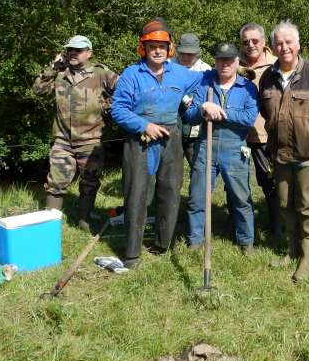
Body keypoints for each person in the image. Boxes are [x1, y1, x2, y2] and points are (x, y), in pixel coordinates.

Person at [111, 18, 201, 269]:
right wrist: (143, 126)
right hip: (140, 138)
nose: (158, 50)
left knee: (170, 190)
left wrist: (231, 72)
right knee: (136, 193)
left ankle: (163, 244)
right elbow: (117, 109)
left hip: (171, 136)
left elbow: (206, 81)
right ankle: (132, 254)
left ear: (170, 48)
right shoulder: (131, 74)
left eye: (163, 46)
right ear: (144, 48)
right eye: (152, 46)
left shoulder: (180, 73)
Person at [258, 21, 309, 282]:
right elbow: (266, 113)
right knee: (284, 205)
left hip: (307, 156)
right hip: (280, 155)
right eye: (279, 43)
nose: (284, 48)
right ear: (273, 47)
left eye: (289, 42)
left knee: (307, 207)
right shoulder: (267, 78)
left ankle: (307, 257)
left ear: (298, 44)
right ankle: (291, 251)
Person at [33, 35, 117, 232]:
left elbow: (125, 93)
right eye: (70, 49)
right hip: (63, 139)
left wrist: (108, 106)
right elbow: (38, 90)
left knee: (90, 182)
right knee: (56, 182)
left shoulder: (100, 74)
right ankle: (50, 226)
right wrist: (52, 68)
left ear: (89, 53)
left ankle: (84, 220)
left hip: (91, 139)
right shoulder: (59, 73)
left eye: (78, 50)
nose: (73, 53)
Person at [185, 43, 259, 255]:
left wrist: (220, 112)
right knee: (197, 197)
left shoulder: (247, 88)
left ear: (237, 62)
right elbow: (189, 116)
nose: (224, 64)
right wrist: (202, 107)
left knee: (240, 198)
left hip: (235, 148)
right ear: (215, 62)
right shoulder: (204, 85)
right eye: (220, 60)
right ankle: (195, 241)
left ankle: (246, 241)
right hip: (205, 144)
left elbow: (248, 119)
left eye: (229, 60)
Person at [238, 22, 280, 238]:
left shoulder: (276, 64)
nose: (251, 45)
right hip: (239, 134)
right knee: (235, 183)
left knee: (269, 181)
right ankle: (238, 226)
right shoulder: (235, 64)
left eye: (255, 41)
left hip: (266, 134)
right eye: (246, 42)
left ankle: (277, 225)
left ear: (264, 42)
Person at [175, 33, 212, 169]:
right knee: (172, 165)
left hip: (196, 120)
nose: (185, 57)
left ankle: (197, 189)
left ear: (197, 53)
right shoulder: (168, 65)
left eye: (190, 54)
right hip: (173, 119)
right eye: (183, 53)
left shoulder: (205, 69)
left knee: (197, 163)